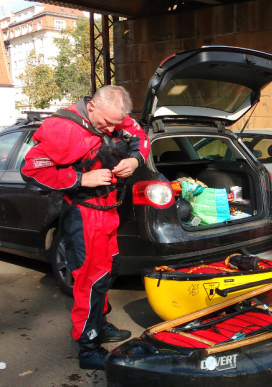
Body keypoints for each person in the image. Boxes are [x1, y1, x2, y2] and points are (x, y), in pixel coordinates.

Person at [21, 86, 150, 370]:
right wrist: (83, 178)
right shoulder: (61, 129)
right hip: (83, 216)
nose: (113, 129)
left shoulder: (116, 117)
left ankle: (100, 324)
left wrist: (134, 159)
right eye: (107, 124)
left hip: (110, 212)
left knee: (106, 272)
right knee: (89, 281)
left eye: (117, 124)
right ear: (91, 107)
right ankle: (88, 346)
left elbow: (140, 136)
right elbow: (31, 169)